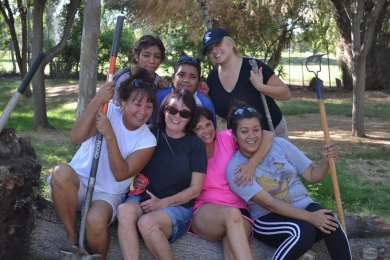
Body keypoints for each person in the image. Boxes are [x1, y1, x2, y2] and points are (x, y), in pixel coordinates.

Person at [49, 70, 158, 259]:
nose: (142, 111)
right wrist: (98, 100)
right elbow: (76, 137)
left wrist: (109, 134)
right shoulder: (109, 110)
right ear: (123, 103)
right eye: (137, 104)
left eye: (148, 106)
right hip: (80, 181)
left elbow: (121, 173)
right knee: (60, 173)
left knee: (96, 220)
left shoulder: (148, 140)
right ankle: (73, 237)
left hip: (109, 193)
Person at [226, 106, 352, 260]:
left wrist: (325, 161)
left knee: (332, 222)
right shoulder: (236, 169)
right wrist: (311, 217)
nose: (251, 136)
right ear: (234, 136)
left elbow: (313, 175)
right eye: (244, 131)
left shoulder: (280, 145)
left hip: (303, 206)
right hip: (268, 219)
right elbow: (269, 204)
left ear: (262, 130)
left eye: (256, 129)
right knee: (304, 232)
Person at [117, 89, 207, 260]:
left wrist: (163, 203)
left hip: (177, 206)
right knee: (124, 211)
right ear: (164, 109)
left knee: (147, 223)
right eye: (172, 110)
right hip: (144, 198)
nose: (177, 116)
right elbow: (131, 165)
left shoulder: (195, 144)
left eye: (184, 113)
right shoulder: (150, 132)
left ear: (190, 117)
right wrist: (135, 177)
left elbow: (195, 190)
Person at [190, 106, 274, 260]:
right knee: (231, 214)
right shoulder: (190, 151)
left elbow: (268, 135)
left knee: (233, 253)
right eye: (198, 128)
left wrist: (251, 164)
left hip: (240, 210)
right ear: (192, 131)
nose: (206, 131)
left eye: (208, 124)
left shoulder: (227, 138)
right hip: (206, 211)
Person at [202, 28, 291, 137]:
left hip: (271, 134)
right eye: (209, 49)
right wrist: (206, 95)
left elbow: (286, 93)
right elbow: (217, 107)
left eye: (217, 44)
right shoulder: (212, 77)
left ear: (231, 44)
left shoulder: (252, 66)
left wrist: (261, 87)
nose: (214, 50)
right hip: (241, 141)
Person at [154, 55, 216, 123]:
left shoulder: (205, 103)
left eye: (192, 77)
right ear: (173, 77)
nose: (186, 80)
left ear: (198, 81)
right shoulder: (159, 97)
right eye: (181, 75)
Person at [113, 34, 168, 103]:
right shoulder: (124, 76)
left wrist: (161, 90)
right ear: (137, 56)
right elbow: (112, 107)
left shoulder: (158, 82)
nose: (152, 61)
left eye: (157, 57)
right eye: (146, 55)